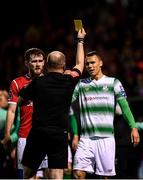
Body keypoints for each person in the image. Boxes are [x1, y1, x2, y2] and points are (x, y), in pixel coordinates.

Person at [18, 27, 86, 179]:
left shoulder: (37, 82)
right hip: (59, 134)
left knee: (28, 173)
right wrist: (80, 40)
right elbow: (80, 64)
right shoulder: (70, 80)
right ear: (63, 66)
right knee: (56, 174)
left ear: (46, 65)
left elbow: (21, 101)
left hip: (38, 133)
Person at [71, 50, 140, 179]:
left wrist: (133, 127)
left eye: (93, 62)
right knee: (77, 174)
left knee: (105, 177)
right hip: (86, 139)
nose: (90, 66)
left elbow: (125, 107)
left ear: (101, 63)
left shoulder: (113, 82)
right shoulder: (81, 85)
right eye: (87, 64)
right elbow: (66, 101)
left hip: (106, 138)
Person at [3, 48, 48, 179]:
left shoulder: (50, 81)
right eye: (34, 61)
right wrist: (7, 134)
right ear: (26, 63)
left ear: (44, 62)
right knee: (27, 176)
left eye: (40, 61)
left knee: (48, 175)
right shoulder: (17, 83)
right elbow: (11, 110)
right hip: (25, 136)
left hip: (46, 136)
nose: (38, 64)